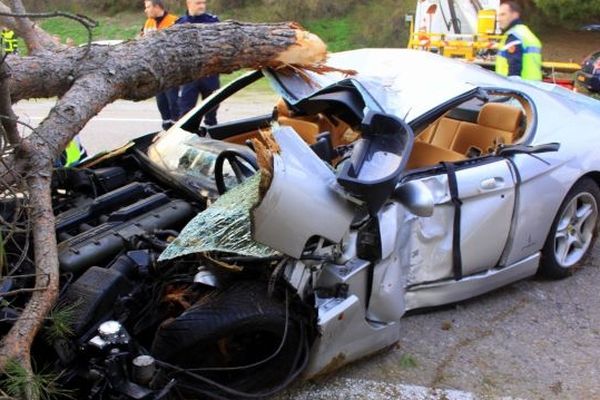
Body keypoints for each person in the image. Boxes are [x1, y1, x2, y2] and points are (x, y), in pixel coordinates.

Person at [176, 0, 220, 126]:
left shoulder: (213, 21)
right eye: (198, 3)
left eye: (203, 3)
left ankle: (211, 137)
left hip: (210, 74)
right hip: (190, 76)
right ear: (188, 4)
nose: (202, 6)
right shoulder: (180, 24)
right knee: (186, 112)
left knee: (211, 110)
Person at [141, 0, 180, 130]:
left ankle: (177, 127)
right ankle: (165, 126)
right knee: (161, 102)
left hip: (172, 70)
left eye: (147, 7)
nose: (145, 10)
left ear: (157, 7)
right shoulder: (148, 23)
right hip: (156, 71)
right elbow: (140, 40)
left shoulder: (174, 21)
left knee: (174, 101)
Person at [495, 1, 542, 81]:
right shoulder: (525, 32)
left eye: (503, 14)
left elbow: (514, 67)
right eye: (498, 15)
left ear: (515, 15)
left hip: (519, 88)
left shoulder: (514, 36)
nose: (498, 19)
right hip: (532, 87)